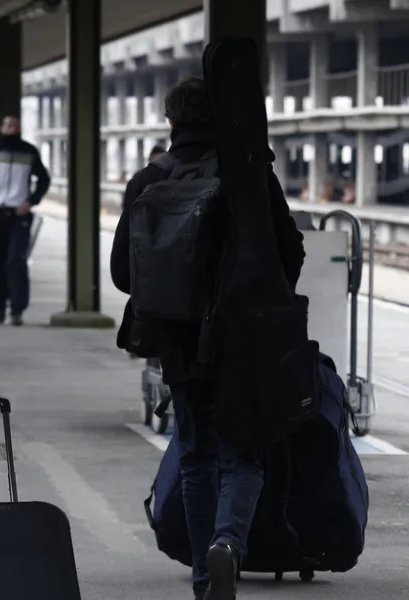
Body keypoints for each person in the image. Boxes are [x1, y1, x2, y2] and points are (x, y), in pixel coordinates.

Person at [109, 78, 304, 600]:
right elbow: (291, 250)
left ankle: (204, 578)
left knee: (196, 455)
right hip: (244, 340)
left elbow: (122, 274)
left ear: (170, 121)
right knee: (243, 454)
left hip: (178, 342)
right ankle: (228, 543)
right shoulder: (248, 177)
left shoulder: (148, 180)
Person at [0, 116, 51, 326]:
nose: (11, 128)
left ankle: (17, 309)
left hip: (20, 215)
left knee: (16, 260)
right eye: (7, 125)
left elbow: (44, 179)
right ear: (0, 127)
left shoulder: (29, 151)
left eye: (15, 125)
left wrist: (31, 201)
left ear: (20, 128)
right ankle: (0, 305)